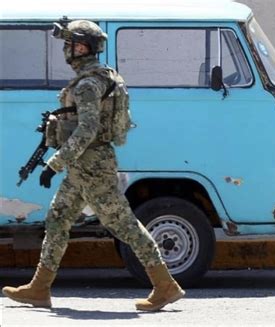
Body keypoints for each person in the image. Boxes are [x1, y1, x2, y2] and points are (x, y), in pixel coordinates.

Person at [2, 18, 184, 311]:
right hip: (83, 166)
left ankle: (165, 285)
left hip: (92, 166)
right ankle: (40, 287)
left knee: (123, 224)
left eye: (69, 44)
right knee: (58, 219)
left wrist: (55, 164)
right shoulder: (102, 76)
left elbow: (87, 129)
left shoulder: (88, 84)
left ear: (82, 47)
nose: (66, 50)